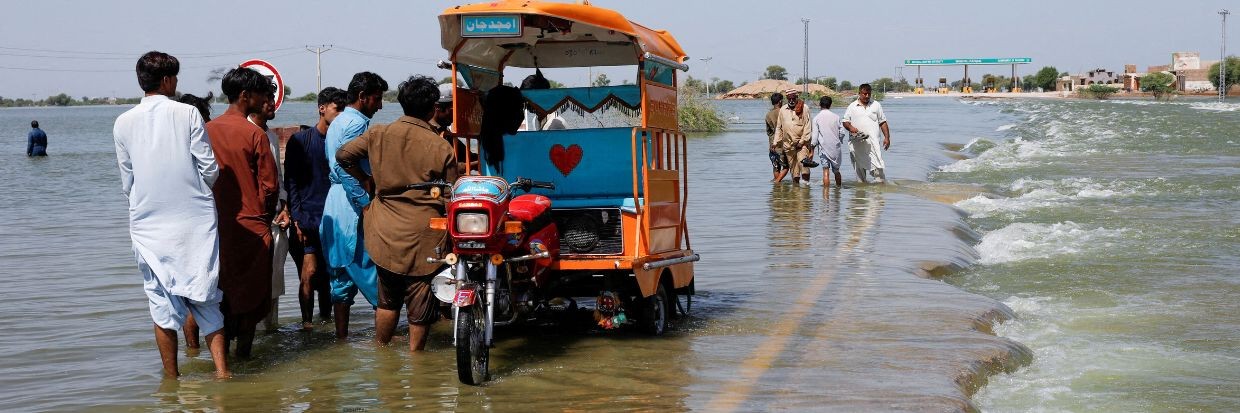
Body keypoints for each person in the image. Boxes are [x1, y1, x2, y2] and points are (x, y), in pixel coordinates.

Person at [112, 51, 228, 378]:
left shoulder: (123, 121)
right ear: (166, 81)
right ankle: (222, 374)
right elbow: (209, 168)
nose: (176, 83)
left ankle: (172, 380)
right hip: (194, 221)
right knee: (206, 297)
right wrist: (197, 189)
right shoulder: (188, 113)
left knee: (160, 304)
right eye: (174, 78)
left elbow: (127, 180)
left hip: (147, 225)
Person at [337, 75, 459, 352]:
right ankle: (416, 360)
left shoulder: (378, 133)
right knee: (420, 296)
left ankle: (382, 353)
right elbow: (453, 196)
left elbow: (343, 155)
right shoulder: (441, 146)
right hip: (425, 232)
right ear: (432, 108)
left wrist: (366, 179)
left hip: (384, 229)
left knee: (387, 298)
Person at [205, 67, 280, 357]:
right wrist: (265, 215)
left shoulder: (206, 130)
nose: (265, 99)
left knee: (217, 296)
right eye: (261, 93)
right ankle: (244, 357)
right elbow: (270, 186)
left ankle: (218, 361)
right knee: (251, 299)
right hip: (251, 227)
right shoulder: (254, 134)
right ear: (245, 96)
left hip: (214, 226)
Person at [321, 72, 388, 338]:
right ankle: (385, 338)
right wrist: (364, 203)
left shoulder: (338, 121)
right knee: (371, 267)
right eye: (377, 99)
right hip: (351, 202)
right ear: (363, 97)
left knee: (340, 275)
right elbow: (345, 166)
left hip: (335, 202)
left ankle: (341, 338)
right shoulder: (356, 124)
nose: (380, 106)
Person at [284, 87, 347, 329]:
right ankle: (307, 325)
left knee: (330, 278)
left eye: (343, 110)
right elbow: (291, 182)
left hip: (334, 217)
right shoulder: (301, 141)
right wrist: (297, 218)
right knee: (308, 273)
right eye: (336, 108)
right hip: (307, 217)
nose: (340, 114)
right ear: (322, 108)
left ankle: (326, 322)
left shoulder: (342, 143)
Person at [249, 99, 292, 332]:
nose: (271, 105)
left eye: (272, 100)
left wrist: (285, 207)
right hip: (253, 222)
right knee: (252, 284)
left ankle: (271, 332)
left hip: (276, 219)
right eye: (265, 100)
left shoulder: (272, 137)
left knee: (275, 282)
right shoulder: (245, 132)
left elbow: (278, 179)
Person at [842, 83, 891, 183]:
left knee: (879, 172)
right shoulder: (852, 106)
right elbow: (845, 121)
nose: (867, 96)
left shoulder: (876, 105)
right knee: (860, 177)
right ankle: (861, 196)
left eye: (869, 94)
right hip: (857, 144)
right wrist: (851, 128)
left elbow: (883, 122)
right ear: (859, 93)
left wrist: (887, 138)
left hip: (873, 144)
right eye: (864, 94)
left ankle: (878, 196)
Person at [432, 83, 477, 174]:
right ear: (438, 108)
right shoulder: (431, 133)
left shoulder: (446, 133)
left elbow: (468, 156)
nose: (459, 114)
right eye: (455, 109)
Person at [775, 89, 811, 184]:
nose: (791, 101)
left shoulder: (804, 108)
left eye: (793, 98)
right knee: (794, 172)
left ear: (797, 97)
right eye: (789, 99)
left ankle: (806, 189)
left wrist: (802, 142)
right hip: (788, 146)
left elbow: (807, 127)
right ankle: (796, 193)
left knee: (803, 166)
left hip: (801, 145)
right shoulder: (783, 109)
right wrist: (775, 143)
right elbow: (779, 127)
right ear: (787, 99)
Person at [811, 96, 845, 194]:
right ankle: (838, 193)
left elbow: (814, 137)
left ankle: (826, 197)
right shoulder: (836, 117)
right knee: (837, 171)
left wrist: (812, 148)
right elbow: (842, 133)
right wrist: (838, 141)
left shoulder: (816, 118)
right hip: (835, 148)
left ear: (819, 105)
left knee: (826, 171)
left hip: (823, 149)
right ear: (830, 105)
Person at [764, 93, 788, 182]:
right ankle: (777, 182)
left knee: (776, 167)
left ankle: (777, 191)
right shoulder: (784, 112)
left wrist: (771, 143)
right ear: (780, 101)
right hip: (782, 144)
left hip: (772, 145)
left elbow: (769, 132)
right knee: (786, 166)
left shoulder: (768, 114)